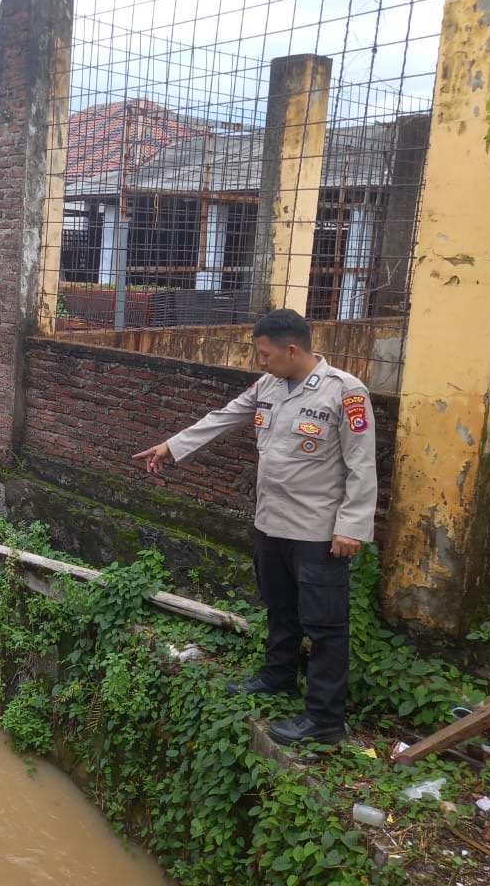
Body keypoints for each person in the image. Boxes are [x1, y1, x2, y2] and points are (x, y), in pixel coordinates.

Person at [132, 309, 377, 746]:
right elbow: (223, 417)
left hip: (318, 531)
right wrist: (171, 447)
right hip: (271, 523)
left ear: (292, 350)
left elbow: (362, 464)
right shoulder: (268, 386)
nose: (260, 362)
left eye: (265, 354)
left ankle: (324, 718)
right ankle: (277, 677)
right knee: (280, 608)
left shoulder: (345, 392)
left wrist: (351, 527)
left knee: (324, 624)